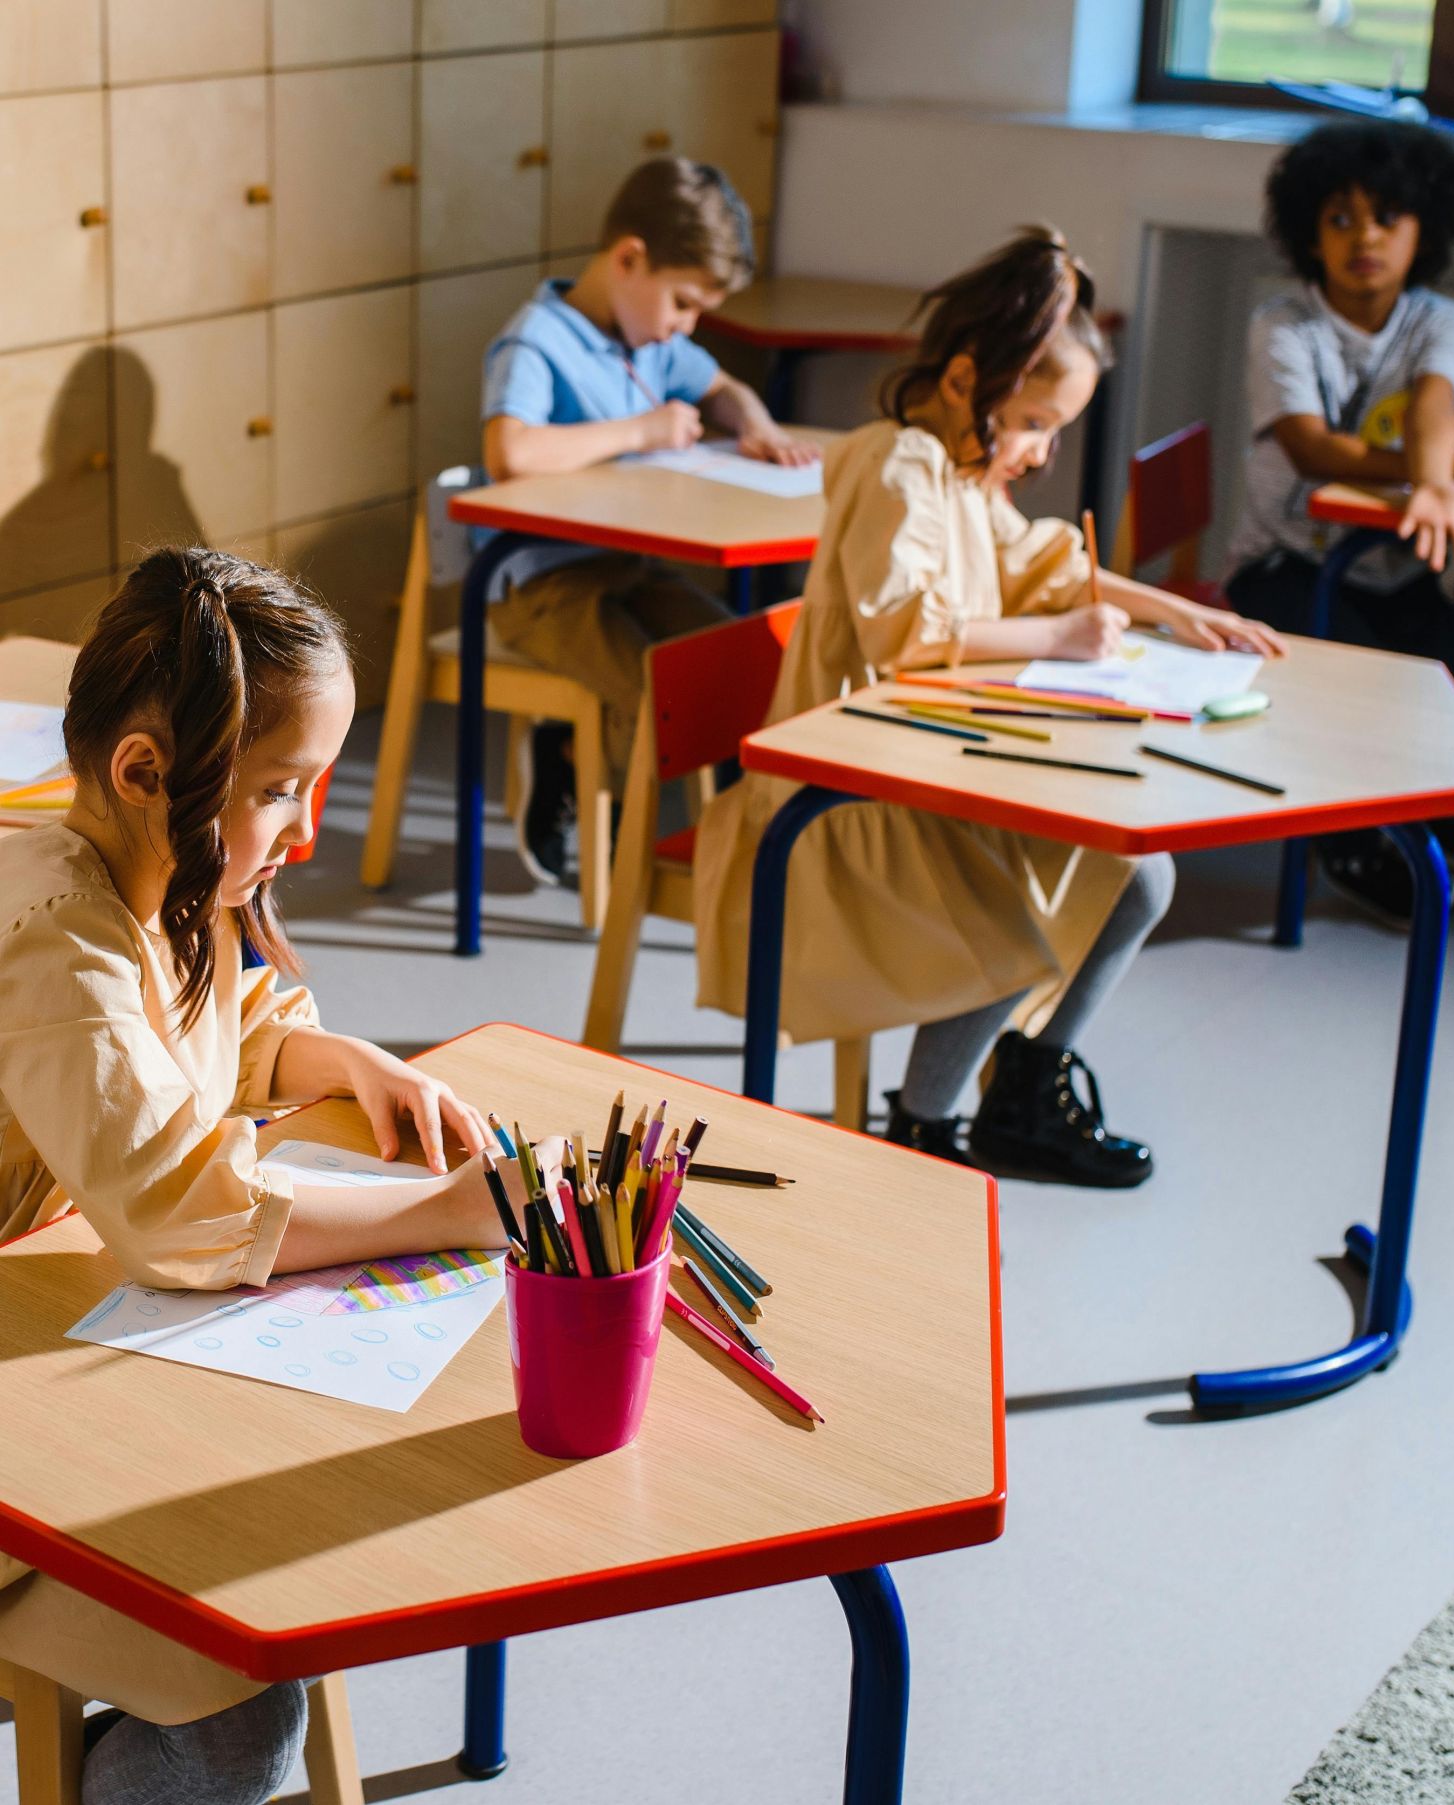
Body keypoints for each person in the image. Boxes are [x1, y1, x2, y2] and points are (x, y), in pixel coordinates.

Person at [0, 548, 536, 1803]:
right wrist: (452, 1210)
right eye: (280, 790)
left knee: (290, 1560)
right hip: (22, 1435)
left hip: (54, 1348)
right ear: (144, 771)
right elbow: (176, 1211)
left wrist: (334, 1055)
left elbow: (201, 1030)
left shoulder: (156, 876)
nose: (305, 830)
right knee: (243, 1702)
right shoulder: (57, 932)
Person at [692, 230, 1286, 1186]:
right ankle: (921, 1129)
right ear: (967, 379)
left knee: (1138, 876)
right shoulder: (896, 466)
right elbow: (905, 628)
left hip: (920, 768)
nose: (1043, 452)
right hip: (842, 800)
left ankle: (1024, 1090)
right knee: (1017, 915)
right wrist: (1057, 636)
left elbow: (1037, 561)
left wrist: (1168, 609)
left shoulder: (960, 471)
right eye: (1035, 422)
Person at [1224, 119, 1454, 930]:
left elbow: (1436, 402)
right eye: (1340, 219)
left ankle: (1424, 814)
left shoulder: (1440, 318)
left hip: (1386, 569)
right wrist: (1441, 474)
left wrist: (1440, 480)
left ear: (1423, 231)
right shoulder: (1283, 324)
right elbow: (1309, 447)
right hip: (1281, 567)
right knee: (1370, 714)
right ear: (1309, 235)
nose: (1364, 237)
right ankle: (1354, 844)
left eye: (1386, 218)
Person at [481, 156, 819, 886]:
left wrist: (756, 425)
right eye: (684, 304)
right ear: (629, 259)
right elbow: (510, 450)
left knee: (738, 661)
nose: (687, 327)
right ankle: (577, 779)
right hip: (541, 584)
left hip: (626, 567)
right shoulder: (537, 339)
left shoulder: (648, 339)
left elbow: (722, 385)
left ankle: (733, 842)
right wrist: (639, 430)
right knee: (653, 694)